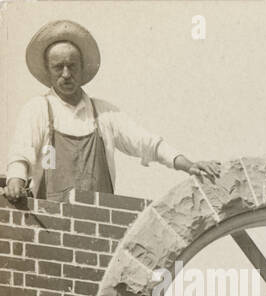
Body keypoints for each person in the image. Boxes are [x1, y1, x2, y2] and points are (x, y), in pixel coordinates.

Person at [5, 19, 218, 205]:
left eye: (72, 65)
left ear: (82, 67)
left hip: (98, 223)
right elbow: (21, 153)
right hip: (51, 223)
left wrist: (188, 165)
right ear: (48, 70)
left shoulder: (103, 113)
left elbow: (147, 143)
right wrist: (16, 181)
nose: (66, 74)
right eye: (58, 67)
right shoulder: (38, 109)